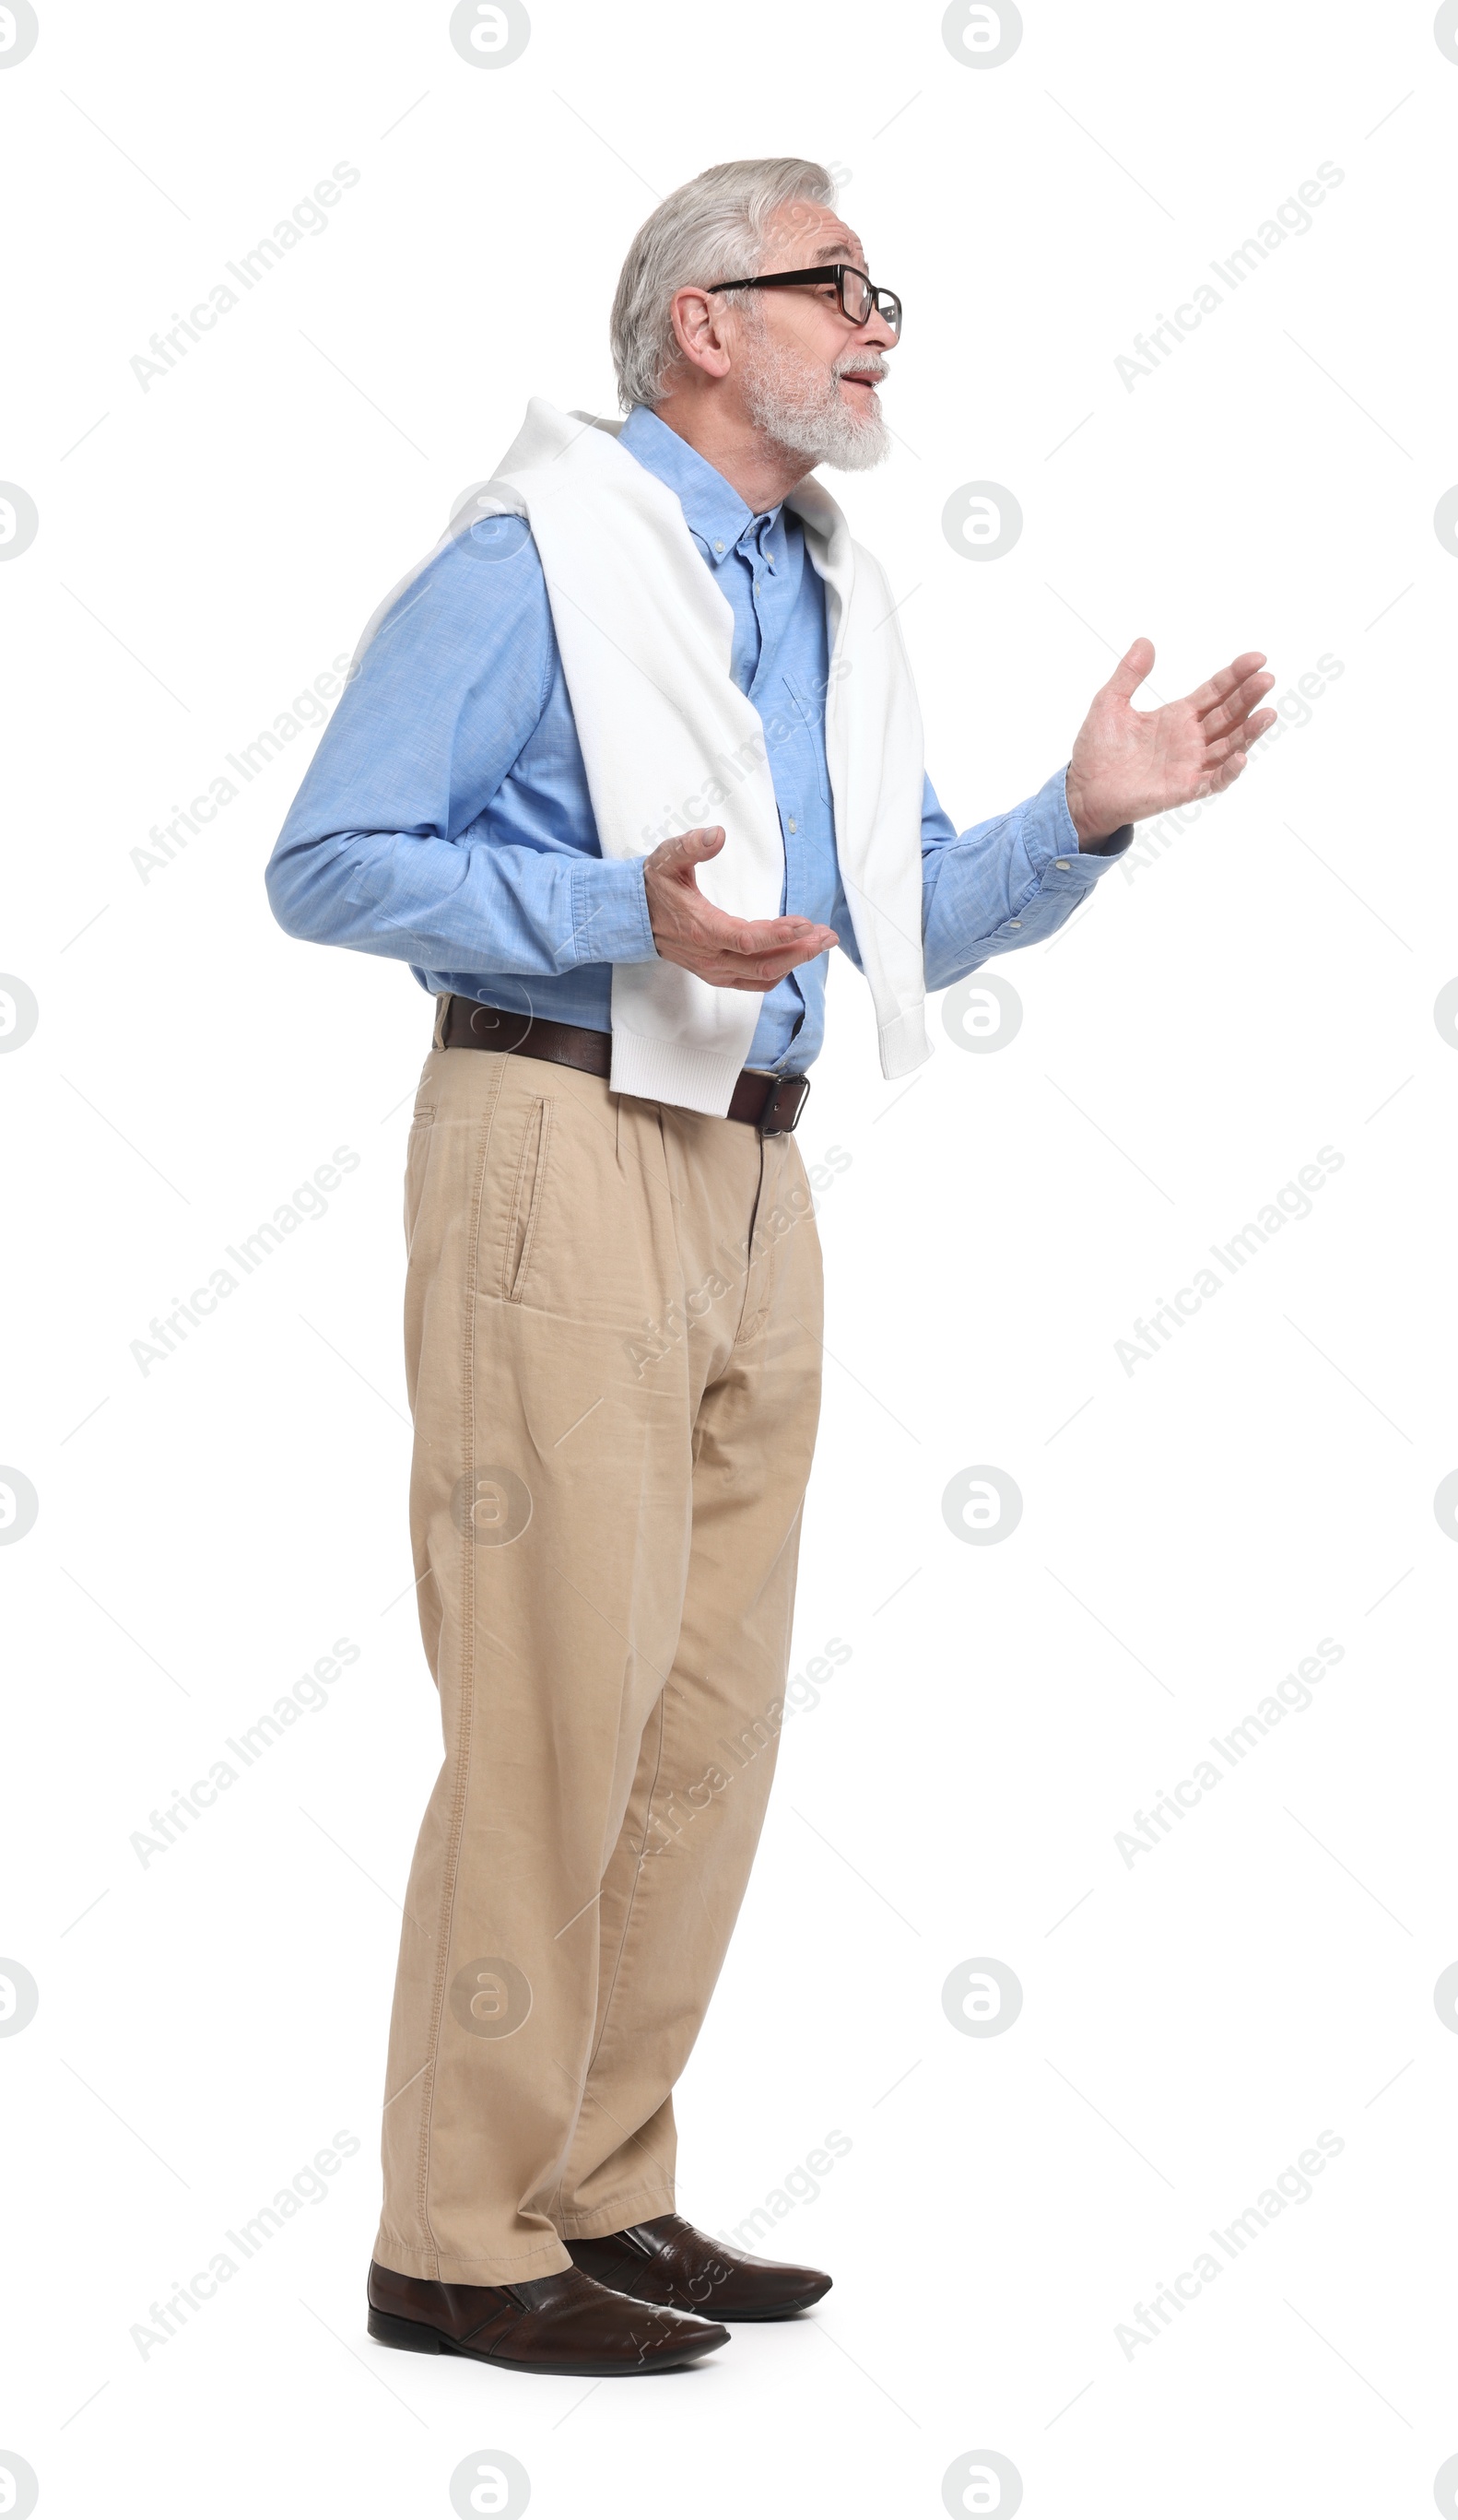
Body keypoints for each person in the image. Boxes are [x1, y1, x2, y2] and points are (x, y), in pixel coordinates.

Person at [265, 157, 1275, 2379]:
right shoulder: (534, 561)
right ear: (701, 322)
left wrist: (1080, 817)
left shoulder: (824, 587)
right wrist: (625, 913)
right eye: (836, 285)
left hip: (750, 1173)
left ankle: (597, 2180)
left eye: (872, 288)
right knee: (550, 1702)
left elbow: (894, 901)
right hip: (555, 1137)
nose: (877, 322)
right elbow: (327, 861)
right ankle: (452, 2229)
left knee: (697, 1718)